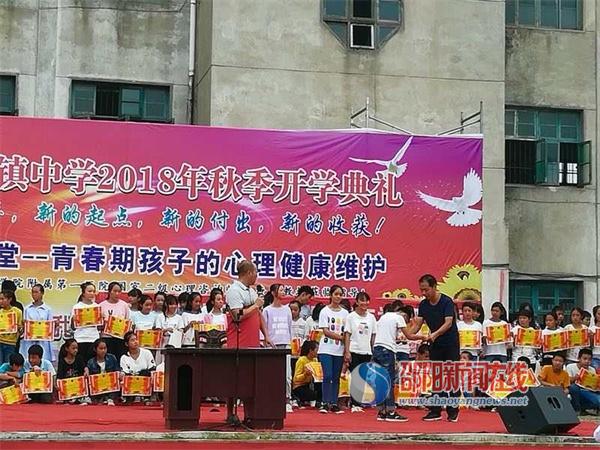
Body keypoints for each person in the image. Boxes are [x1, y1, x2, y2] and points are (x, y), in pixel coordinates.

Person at [409, 274, 461, 422]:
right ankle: (435, 410)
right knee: (437, 376)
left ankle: (453, 410)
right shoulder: (423, 305)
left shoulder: (446, 302)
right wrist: (406, 334)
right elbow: (418, 324)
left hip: (450, 343)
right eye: (421, 290)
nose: (423, 293)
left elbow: (448, 323)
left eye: (426, 290)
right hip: (435, 344)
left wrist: (435, 334)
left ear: (434, 287)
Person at [374, 300, 426, 422]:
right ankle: (391, 412)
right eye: (406, 320)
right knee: (389, 382)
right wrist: (423, 337)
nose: (405, 322)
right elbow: (409, 336)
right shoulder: (399, 317)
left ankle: (382, 411)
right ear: (404, 314)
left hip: (376, 349)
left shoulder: (384, 317)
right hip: (387, 350)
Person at [317, 285, 348, 414]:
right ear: (330, 295)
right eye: (336, 294)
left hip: (339, 349)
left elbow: (347, 332)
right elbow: (326, 331)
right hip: (326, 348)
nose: (338, 297)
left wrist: (346, 347)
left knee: (336, 377)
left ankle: (334, 403)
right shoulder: (325, 311)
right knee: (328, 375)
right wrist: (341, 338)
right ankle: (325, 402)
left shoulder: (345, 313)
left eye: (340, 294)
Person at [225, 260, 271, 348]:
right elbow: (237, 315)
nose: (257, 276)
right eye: (256, 273)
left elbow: (258, 314)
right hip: (239, 343)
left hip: (253, 342)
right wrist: (255, 305)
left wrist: (266, 335)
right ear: (249, 273)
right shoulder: (234, 290)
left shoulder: (251, 291)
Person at [343, 292, 376, 413]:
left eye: (366, 300)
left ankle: (360, 401)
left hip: (366, 351)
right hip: (354, 349)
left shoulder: (371, 317)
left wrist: (373, 351)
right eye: (362, 300)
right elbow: (347, 334)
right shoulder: (351, 317)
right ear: (357, 302)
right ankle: (354, 403)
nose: (365, 303)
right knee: (355, 376)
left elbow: (373, 335)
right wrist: (347, 351)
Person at [20, 284, 55, 362]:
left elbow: (50, 328)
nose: (34, 294)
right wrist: (23, 325)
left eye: (36, 292)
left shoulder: (47, 309)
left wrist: (53, 326)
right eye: (32, 292)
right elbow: (24, 326)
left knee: (43, 361)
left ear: (42, 293)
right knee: (28, 360)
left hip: (43, 341)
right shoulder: (27, 309)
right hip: (29, 341)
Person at [100, 281, 130, 361]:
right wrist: (106, 324)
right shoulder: (102, 305)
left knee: (120, 359)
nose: (117, 293)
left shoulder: (124, 305)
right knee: (108, 360)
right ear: (109, 291)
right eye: (115, 291)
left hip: (120, 338)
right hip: (107, 338)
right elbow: (99, 324)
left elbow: (127, 321)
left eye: (119, 291)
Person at [71, 282, 100, 362]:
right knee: (81, 363)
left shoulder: (97, 307)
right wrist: (73, 319)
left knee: (92, 363)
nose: (92, 293)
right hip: (80, 339)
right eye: (89, 291)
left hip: (94, 338)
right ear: (83, 293)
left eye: (93, 291)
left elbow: (100, 327)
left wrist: (101, 319)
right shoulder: (77, 307)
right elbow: (73, 327)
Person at [566, 348, 600, 414]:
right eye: (584, 359)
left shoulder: (592, 369)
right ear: (579, 358)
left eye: (589, 360)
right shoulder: (570, 367)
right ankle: (577, 409)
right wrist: (575, 378)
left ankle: (584, 408)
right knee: (573, 387)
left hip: (587, 391)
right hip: (576, 392)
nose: (587, 361)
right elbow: (567, 381)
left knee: (597, 400)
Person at [86, 338, 119, 405]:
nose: (103, 350)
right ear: (95, 349)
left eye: (105, 348)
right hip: (98, 387)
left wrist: (120, 373)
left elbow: (117, 370)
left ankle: (110, 399)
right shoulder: (90, 362)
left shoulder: (112, 358)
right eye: (101, 348)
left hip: (110, 386)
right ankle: (99, 399)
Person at [57, 338, 90, 405]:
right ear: (67, 349)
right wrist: (58, 385)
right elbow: (60, 376)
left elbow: (84, 367)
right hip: (67, 387)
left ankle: (80, 397)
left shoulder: (79, 358)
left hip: (78, 386)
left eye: (77, 348)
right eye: (73, 348)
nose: (76, 350)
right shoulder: (62, 361)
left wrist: (86, 370)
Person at [292, 340, 322, 406]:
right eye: (317, 349)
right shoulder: (302, 360)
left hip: (309, 384)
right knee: (313, 395)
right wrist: (305, 374)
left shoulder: (315, 360)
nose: (318, 352)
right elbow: (295, 379)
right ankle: (297, 398)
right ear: (310, 350)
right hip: (299, 386)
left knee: (321, 388)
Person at [263, 284, 292, 348]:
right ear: (273, 293)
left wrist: (291, 341)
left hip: (286, 343)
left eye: (283, 290)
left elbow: (290, 326)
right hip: (272, 343)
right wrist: (265, 339)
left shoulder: (287, 309)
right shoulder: (267, 310)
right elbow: (264, 327)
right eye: (281, 290)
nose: (283, 292)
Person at [0, 290, 23, 364]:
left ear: (9, 299)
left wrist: (20, 328)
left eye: (2, 299)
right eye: (0, 299)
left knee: (8, 364)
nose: (0, 301)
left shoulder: (17, 312)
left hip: (11, 343)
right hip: (0, 341)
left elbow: (21, 330)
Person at [590, 306, 600, 370]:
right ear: (595, 315)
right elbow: (590, 346)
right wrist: (592, 338)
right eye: (599, 314)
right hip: (595, 355)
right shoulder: (591, 329)